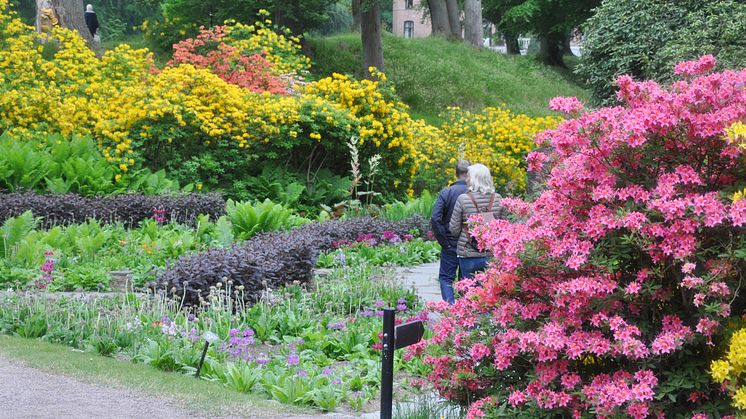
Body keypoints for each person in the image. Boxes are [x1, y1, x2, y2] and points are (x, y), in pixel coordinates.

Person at [449, 164, 502, 280]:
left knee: (469, 291)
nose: (466, 179)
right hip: (491, 253)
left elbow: (454, 230)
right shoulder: (497, 198)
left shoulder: (463, 199)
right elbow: (504, 226)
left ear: (473, 179)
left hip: (468, 253)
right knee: (489, 292)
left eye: (468, 176)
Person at [430, 160, 470, 304]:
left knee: (446, 278)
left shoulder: (447, 192)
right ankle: (465, 311)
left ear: (455, 173)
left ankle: (450, 309)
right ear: (469, 174)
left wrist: (444, 240)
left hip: (451, 243)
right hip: (470, 245)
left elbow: (435, 218)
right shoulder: (474, 193)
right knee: (467, 280)